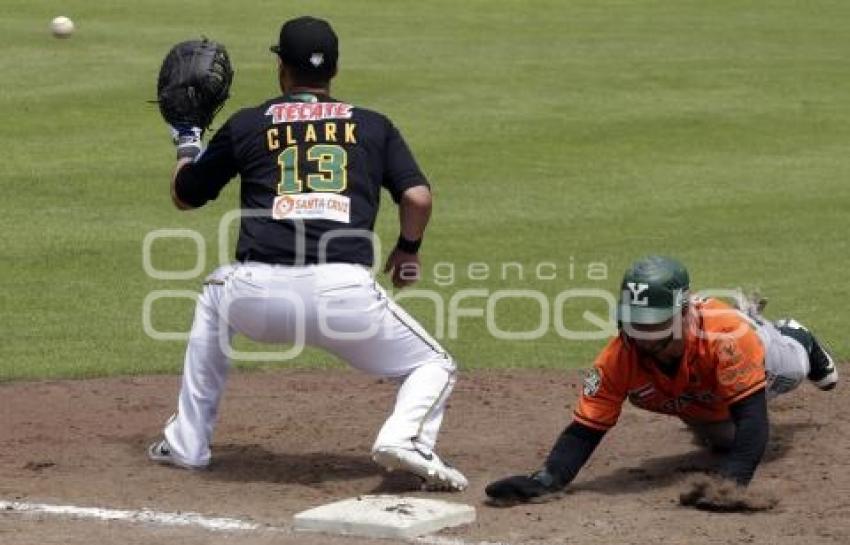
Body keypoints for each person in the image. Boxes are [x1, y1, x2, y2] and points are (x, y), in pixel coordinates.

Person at [147, 16, 467, 491]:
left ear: (282, 68)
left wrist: (187, 140)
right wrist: (407, 249)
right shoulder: (374, 126)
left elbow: (186, 195)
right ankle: (404, 438)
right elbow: (417, 197)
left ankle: (188, 443)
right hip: (345, 298)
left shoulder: (248, 124)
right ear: (334, 70)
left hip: (256, 299)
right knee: (433, 365)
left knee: (215, 291)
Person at [486, 255, 838, 503]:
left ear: (683, 315)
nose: (640, 334)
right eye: (633, 320)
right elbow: (586, 429)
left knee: (792, 370)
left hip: (756, 356)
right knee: (723, 441)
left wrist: (730, 484)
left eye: (652, 323)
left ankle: (798, 337)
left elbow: (753, 417)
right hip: (699, 396)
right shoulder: (619, 356)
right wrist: (548, 480)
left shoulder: (727, 337)